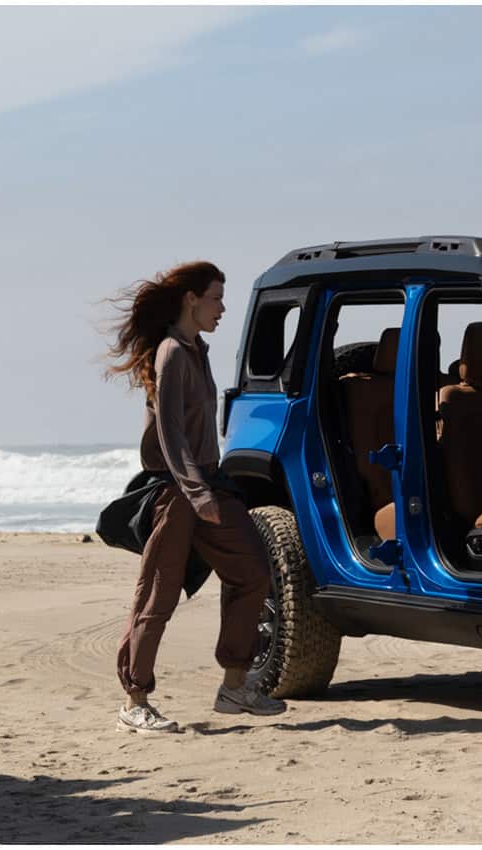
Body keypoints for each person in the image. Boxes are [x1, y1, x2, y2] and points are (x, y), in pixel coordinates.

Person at [104, 260, 286, 733]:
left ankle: (234, 685)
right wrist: (195, 491)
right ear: (191, 299)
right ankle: (135, 700)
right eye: (216, 298)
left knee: (251, 571)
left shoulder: (197, 351)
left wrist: (209, 487)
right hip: (176, 489)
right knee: (157, 595)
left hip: (207, 482)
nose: (223, 308)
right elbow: (170, 433)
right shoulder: (170, 352)